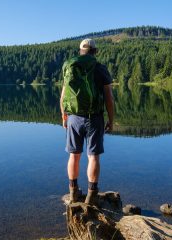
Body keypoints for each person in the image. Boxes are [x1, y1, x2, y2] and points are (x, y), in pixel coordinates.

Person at [60, 38, 114, 205]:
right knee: (93, 157)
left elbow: (63, 96)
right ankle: (92, 194)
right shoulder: (99, 68)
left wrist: (64, 116)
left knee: (74, 155)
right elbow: (109, 98)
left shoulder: (70, 66)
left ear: (80, 51)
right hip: (94, 118)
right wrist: (111, 120)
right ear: (95, 52)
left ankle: (73, 191)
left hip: (74, 117)